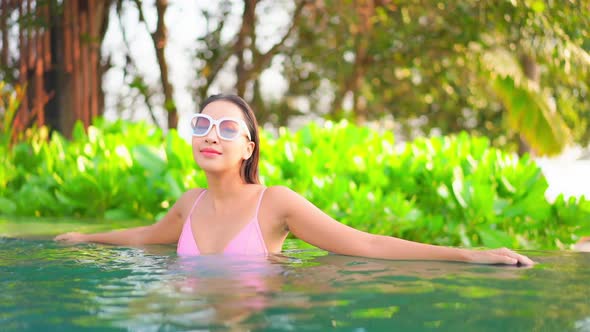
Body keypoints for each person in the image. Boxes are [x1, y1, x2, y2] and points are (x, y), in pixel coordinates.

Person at [55, 94, 534, 266]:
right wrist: (85, 236)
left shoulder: (275, 203)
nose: (211, 136)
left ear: (249, 147)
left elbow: (364, 245)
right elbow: (146, 236)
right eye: (202, 125)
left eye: (227, 129)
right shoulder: (189, 204)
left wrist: (468, 254)